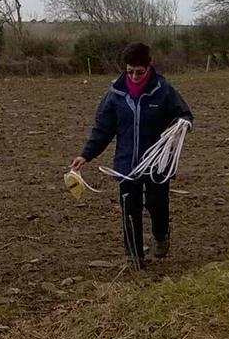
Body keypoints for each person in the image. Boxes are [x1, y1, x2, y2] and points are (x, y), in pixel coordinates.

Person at [71, 43, 193, 269]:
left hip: (158, 164)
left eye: (140, 71)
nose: (134, 76)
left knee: (158, 205)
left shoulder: (164, 90)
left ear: (149, 66)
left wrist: (182, 124)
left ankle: (160, 234)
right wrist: (86, 154)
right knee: (129, 207)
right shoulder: (115, 95)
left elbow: (183, 113)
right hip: (127, 164)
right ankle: (133, 255)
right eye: (130, 71)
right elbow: (103, 129)